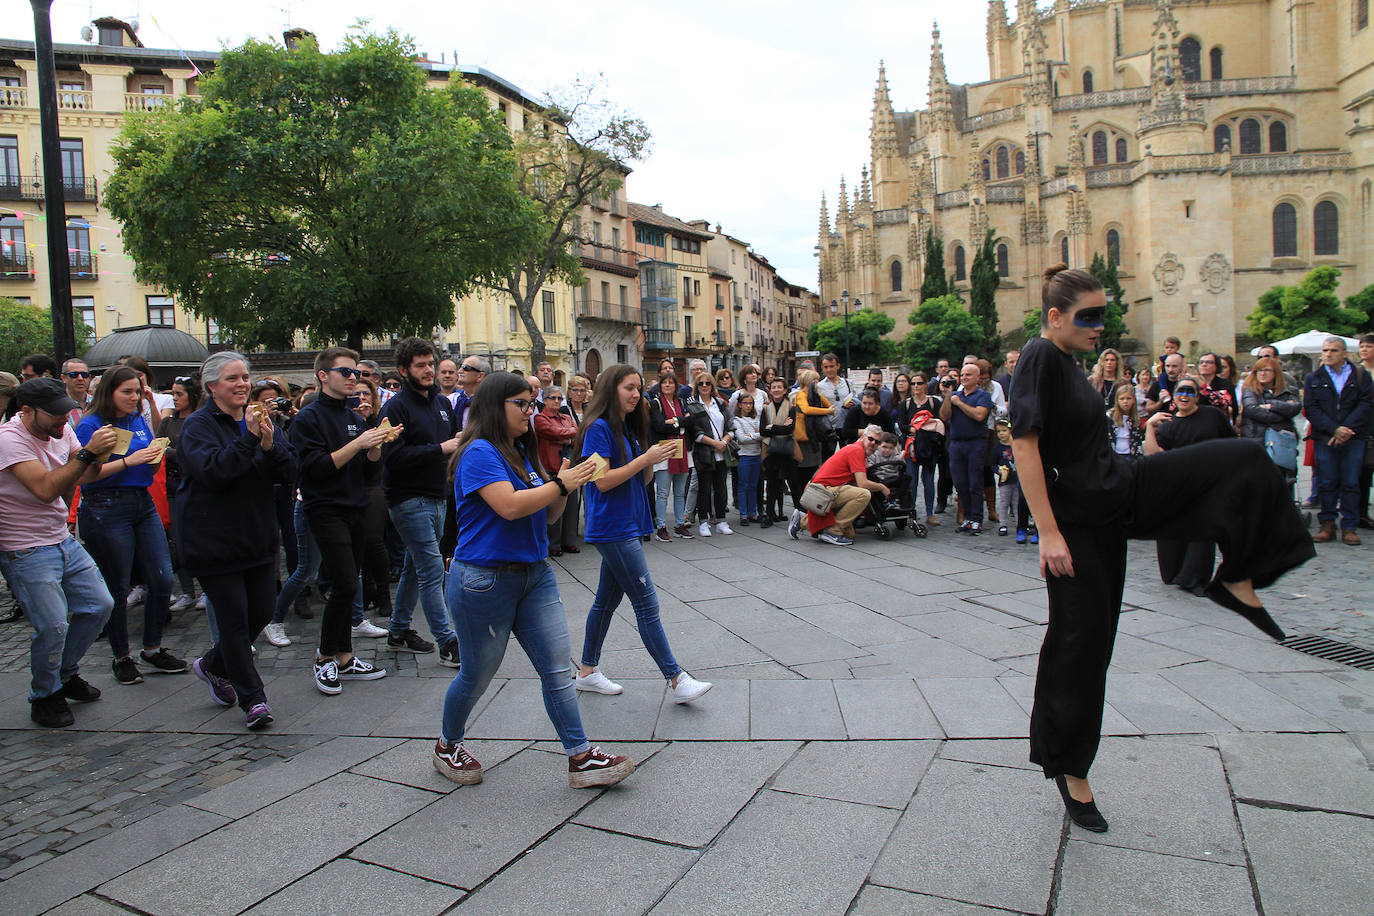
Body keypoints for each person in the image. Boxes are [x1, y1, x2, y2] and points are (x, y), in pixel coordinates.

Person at [1011, 265, 1313, 835]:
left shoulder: (1071, 364)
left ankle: (1239, 576)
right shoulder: (1040, 356)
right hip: (1078, 523)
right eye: (1089, 316)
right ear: (1055, 317)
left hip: (1116, 491)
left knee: (1244, 460)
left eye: (1105, 314)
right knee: (1081, 645)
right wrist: (1048, 533)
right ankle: (1071, 770)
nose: (1102, 326)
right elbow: (1024, 445)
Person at [433, 372, 636, 788]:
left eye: (531, 403)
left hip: (535, 574)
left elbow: (547, 516)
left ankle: (580, 756)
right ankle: (447, 743)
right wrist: (561, 483)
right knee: (476, 674)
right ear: (495, 407)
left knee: (556, 670)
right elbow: (508, 506)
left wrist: (562, 488)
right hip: (483, 580)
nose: (531, 411)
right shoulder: (479, 452)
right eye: (522, 404)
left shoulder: (519, 453)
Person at [573, 364, 712, 704]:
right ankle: (676, 678)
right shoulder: (597, 429)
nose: (636, 394)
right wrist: (645, 457)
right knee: (646, 603)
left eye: (638, 388)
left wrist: (652, 456)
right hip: (613, 527)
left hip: (628, 524)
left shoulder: (627, 429)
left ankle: (587, 672)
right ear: (610, 390)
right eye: (628, 388)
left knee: (605, 601)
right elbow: (602, 481)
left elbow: (643, 481)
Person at [179, 351, 299, 729]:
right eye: (232, 378)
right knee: (233, 622)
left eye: (245, 377)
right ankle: (254, 700)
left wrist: (268, 445)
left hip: (258, 536)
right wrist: (249, 440)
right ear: (211, 386)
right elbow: (215, 473)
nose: (242, 384)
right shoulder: (197, 427)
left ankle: (213, 664)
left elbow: (291, 470)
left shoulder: (260, 421)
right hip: (213, 539)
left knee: (262, 610)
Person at [0, 378, 116, 727]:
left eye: (65, 414)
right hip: (24, 547)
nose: (63, 422)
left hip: (59, 537)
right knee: (52, 625)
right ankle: (44, 695)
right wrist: (87, 453)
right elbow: (46, 489)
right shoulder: (9, 439)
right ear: (26, 411)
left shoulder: (62, 430)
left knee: (100, 605)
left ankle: (64, 674)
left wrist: (101, 453)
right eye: (54, 415)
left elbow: (82, 476)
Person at [288, 347, 392, 696]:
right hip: (325, 507)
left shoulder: (352, 414)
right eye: (345, 373)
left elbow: (368, 471)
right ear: (323, 376)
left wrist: (376, 444)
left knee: (352, 580)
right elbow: (314, 468)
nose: (353, 379)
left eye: (355, 373)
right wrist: (359, 442)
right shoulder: (308, 418)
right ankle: (323, 657)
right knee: (344, 582)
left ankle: (345, 657)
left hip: (356, 505)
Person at [73, 366, 183, 685]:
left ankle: (152, 647)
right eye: (127, 392)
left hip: (141, 500)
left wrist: (151, 457)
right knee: (118, 586)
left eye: (138, 391)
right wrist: (129, 462)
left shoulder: (136, 419)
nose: (135, 397)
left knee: (162, 579)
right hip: (106, 505)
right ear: (109, 392)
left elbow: (144, 456)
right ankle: (121, 656)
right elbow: (83, 474)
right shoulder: (92, 425)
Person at [379, 338, 462, 666]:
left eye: (431, 364)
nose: (429, 370)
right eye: (421, 365)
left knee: (417, 567)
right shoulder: (395, 407)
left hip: (437, 496)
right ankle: (448, 641)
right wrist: (440, 449)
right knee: (431, 570)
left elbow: (455, 442)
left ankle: (398, 631)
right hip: (407, 499)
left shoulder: (442, 404)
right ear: (404, 371)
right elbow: (392, 456)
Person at [1144, 379, 1236, 595]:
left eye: (1190, 392)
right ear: (1174, 396)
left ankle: (1194, 579)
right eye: (1180, 392)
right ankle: (1175, 571)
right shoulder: (1168, 426)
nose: (1184, 396)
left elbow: (1230, 441)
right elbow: (1153, 455)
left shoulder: (1212, 416)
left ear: (1197, 395)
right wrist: (1149, 425)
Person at [1304, 336, 1373, 545]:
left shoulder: (1360, 376)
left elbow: (1366, 404)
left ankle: (1349, 526)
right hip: (1325, 437)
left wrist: (1346, 430)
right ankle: (1327, 523)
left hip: (1354, 437)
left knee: (1351, 482)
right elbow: (1311, 408)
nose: (1328, 354)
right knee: (1327, 481)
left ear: (1344, 353)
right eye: (1325, 350)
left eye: (1333, 350)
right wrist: (1334, 429)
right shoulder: (1314, 377)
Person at [791, 424, 888, 545]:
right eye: (871, 439)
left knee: (849, 534)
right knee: (864, 494)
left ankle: (802, 521)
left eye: (877, 442)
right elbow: (863, 483)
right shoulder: (857, 450)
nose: (873, 443)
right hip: (820, 492)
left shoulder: (857, 449)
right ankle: (832, 531)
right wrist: (882, 487)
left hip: (821, 491)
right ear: (863, 437)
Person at [158, 374, 202, 612]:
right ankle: (188, 590)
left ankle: (206, 589)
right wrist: (177, 454)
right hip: (173, 486)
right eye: (172, 394)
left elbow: (192, 455)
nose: (174, 399)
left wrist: (174, 453)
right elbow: (157, 449)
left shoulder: (199, 420)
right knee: (178, 539)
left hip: (197, 484)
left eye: (179, 394)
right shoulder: (168, 422)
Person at [940, 363, 994, 534]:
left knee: (975, 482)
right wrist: (949, 397)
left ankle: (977, 518)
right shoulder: (955, 395)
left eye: (968, 375)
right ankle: (968, 517)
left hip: (975, 442)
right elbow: (944, 416)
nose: (964, 378)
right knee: (960, 482)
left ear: (977, 378)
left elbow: (979, 415)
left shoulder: (983, 395)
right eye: (962, 375)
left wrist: (960, 403)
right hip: (956, 443)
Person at [1240, 356, 1301, 501]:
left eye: (1267, 370)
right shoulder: (1250, 390)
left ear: (1275, 372)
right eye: (1259, 370)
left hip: (1282, 441)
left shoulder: (1289, 390)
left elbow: (1295, 408)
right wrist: (1282, 414)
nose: (1262, 373)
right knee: (1259, 482)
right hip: (1257, 440)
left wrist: (1271, 405)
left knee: (1284, 480)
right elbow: (1251, 410)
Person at [683, 372, 734, 536]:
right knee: (703, 488)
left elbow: (730, 425)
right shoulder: (692, 405)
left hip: (721, 452)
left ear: (712, 386)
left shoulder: (719, 403)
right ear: (696, 387)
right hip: (704, 452)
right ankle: (703, 522)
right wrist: (715, 444)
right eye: (701, 384)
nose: (704, 386)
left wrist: (724, 442)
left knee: (721, 488)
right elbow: (694, 431)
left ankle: (721, 520)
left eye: (708, 383)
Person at [533, 387, 580, 556]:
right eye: (552, 398)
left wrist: (565, 435)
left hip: (569, 465)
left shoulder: (566, 417)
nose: (556, 401)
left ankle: (570, 541)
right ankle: (554, 545)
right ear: (544, 400)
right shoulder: (540, 417)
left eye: (560, 398)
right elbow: (552, 432)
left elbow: (576, 432)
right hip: (551, 467)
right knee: (554, 507)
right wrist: (568, 435)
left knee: (571, 507)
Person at [648, 370, 692, 540]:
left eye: (671, 383)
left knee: (680, 492)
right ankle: (661, 527)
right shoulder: (655, 403)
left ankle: (680, 524)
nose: (667, 385)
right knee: (663, 492)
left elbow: (691, 421)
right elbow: (658, 426)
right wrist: (680, 422)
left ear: (676, 386)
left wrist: (673, 421)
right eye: (664, 382)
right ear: (660, 386)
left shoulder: (681, 402)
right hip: (664, 449)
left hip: (682, 450)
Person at [901, 372, 943, 525]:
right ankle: (911, 513)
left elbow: (939, 422)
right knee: (911, 482)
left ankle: (930, 513)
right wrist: (912, 429)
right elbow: (902, 424)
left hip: (929, 447)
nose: (916, 387)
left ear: (926, 385)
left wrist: (921, 428)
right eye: (913, 384)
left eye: (919, 383)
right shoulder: (906, 404)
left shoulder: (933, 402)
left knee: (929, 480)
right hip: (911, 447)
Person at [760, 377, 798, 528]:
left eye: (779, 387)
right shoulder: (766, 409)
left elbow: (790, 429)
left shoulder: (791, 408)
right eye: (773, 387)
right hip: (771, 451)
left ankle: (800, 515)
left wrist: (773, 427)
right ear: (770, 390)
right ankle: (769, 515)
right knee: (772, 484)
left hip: (788, 450)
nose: (776, 389)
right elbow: (763, 430)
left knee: (793, 483)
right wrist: (781, 427)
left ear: (785, 390)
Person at [793, 368, 830, 499]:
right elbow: (806, 410)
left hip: (813, 437)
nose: (817, 383)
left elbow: (827, 404)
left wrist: (818, 395)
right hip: (803, 438)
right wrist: (827, 411)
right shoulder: (801, 395)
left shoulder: (814, 395)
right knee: (803, 472)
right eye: (815, 381)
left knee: (813, 469)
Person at [815, 353, 855, 459]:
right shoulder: (819, 386)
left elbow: (855, 400)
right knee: (829, 460)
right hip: (828, 429)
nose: (829, 370)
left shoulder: (848, 383)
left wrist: (850, 404)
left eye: (831, 366)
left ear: (838, 366)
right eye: (826, 367)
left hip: (845, 427)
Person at [732, 393, 762, 525]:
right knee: (743, 485)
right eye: (745, 403)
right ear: (739, 405)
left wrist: (753, 435)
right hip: (744, 456)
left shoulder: (756, 419)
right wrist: (756, 435)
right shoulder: (736, 420)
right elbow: (742, 439)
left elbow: (763, 435)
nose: (748, 406)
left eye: (750, 403)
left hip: (757, 454)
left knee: (753, 485)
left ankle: (753, 513)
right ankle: (743, 514)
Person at [1358, 334, 1374, 530]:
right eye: (1362, 346)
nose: (1364, 349)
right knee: (1363, 473)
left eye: (1369, 346)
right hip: (1364, 428)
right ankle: (1361, 513)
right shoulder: (1356, 372)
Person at [1195, 353, 1238, 425]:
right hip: (1197, 423)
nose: (1204, 364)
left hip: (1218, 424)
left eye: (1209, 362)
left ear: (1217, 366)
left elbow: (1222, 403)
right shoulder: (1192, 384)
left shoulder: (1225, 384)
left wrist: (1203, 387)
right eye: (1201, 362)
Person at [1106, 382, 1144, 458]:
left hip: (1130, 454)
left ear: (1133, 400)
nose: (1125, 402)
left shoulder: (1135, 419)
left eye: (1128, 398)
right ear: (1117, 401)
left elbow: (1138, 440)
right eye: (1122, 399)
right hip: (1114, 454)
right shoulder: (1110, 417)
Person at [452, 356, 489, 428]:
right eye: (460, 367)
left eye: (466, 368)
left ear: (480, 376)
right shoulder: (452, 400)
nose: (459, 371)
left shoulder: (491, 403)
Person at [61, 358, 92, 425]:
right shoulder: (59, 407)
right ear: (63, 378)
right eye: (74, 374)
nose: (80, 378)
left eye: (84, 375)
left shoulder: (97, 403)